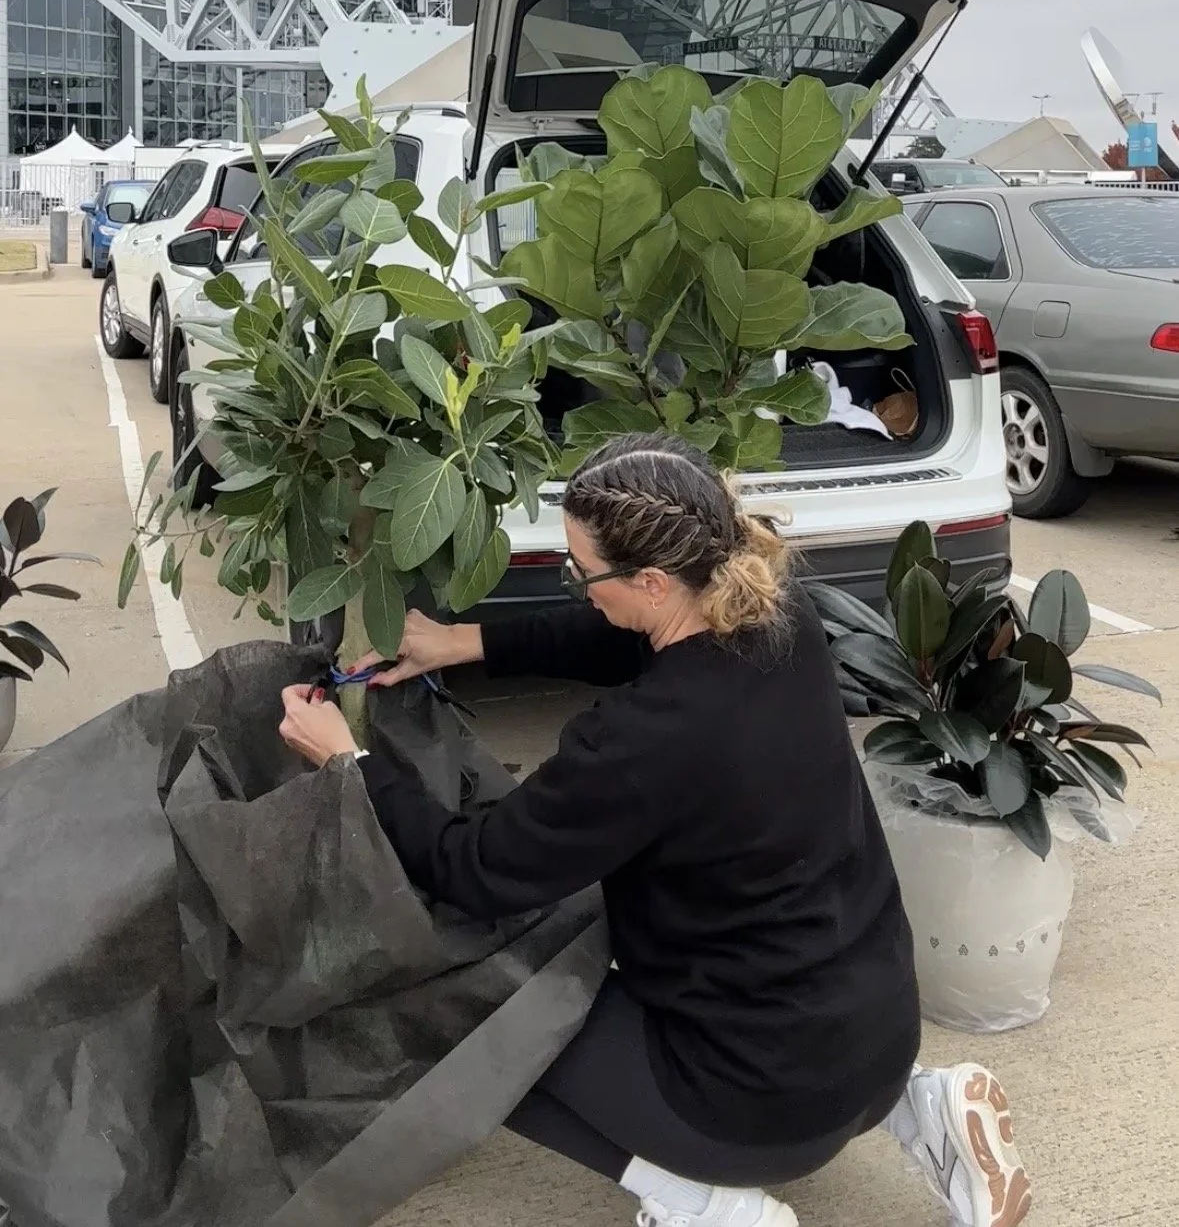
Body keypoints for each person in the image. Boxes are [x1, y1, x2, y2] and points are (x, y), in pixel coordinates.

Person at [280, 435, 1030, 1227]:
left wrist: (350, 761)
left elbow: (474, 868)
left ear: (650, 578)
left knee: (475, 1023)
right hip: (880, 1037)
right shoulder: (781, 617)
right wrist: (469, 641)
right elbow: (628, 635)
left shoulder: (642, 740)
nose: (578, 585)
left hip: (760, 1102)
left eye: (581, 571)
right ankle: (927, 1107)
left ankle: (704, 1204)